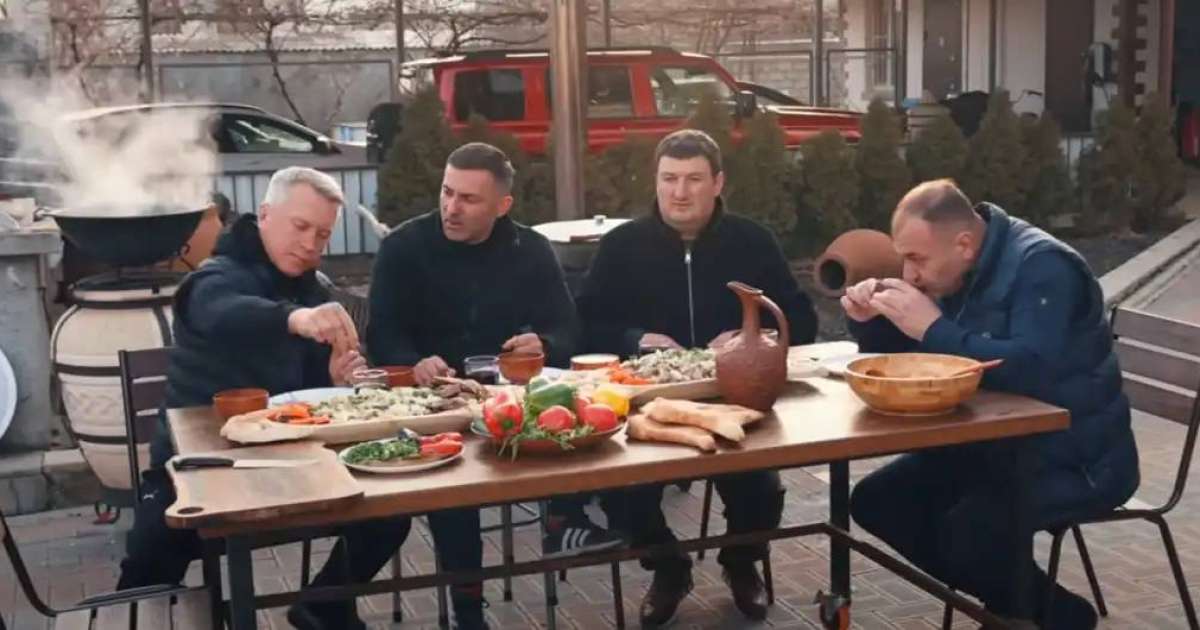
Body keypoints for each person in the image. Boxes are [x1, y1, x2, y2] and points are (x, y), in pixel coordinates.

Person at [116, 167, 416, 630]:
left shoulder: (310, 288)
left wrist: (338, 379)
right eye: (300, 227)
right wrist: (295, 319)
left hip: (289, 468)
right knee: (156, 543)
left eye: (322, 234)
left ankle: (324, 605)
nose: (312, 244)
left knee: (389, 514)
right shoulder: (218, 275)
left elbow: (314, 389)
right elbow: (217, 311)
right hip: (199, 471)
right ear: (264, 215)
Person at [841, 179, 1140, 629]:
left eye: (916, 259)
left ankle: (1048, 616)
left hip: (1079, 457)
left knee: (971, 529)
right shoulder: (964, 265)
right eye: (903, 258)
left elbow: (1030, 369)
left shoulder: (1045, 267)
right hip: (994, 446)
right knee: (875, 501)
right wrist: (871, 320)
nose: (908, 274)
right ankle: (1031, 607)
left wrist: (932, 327)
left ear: (963, 243)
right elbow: (933, 354)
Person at [577, 129, 818, 627]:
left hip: (738, 398)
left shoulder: (752, 241)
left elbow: (801, 320)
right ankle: (668, 567)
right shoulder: (623, 245)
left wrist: (751, 335)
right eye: (669, 179)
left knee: (763, 490)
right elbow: (584, 324)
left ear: (718, 183)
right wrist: (634, 337)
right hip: (648, 405)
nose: (679, 192)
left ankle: (741, 562)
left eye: (692, 179)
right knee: (620, 495)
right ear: (656, 182)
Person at [367, 143, 622, 559]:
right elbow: (381, 335)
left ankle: (563, 522)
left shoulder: (531, 249)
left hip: (508, 398)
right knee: (453, 476)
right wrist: (414, 362)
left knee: (571, 414)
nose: (452, 207)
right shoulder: (403, 247)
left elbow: (568, 328)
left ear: (502, 205)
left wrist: (546, 343)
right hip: (431, 401)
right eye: (447, 192)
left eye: (468, 199)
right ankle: (468, 610)